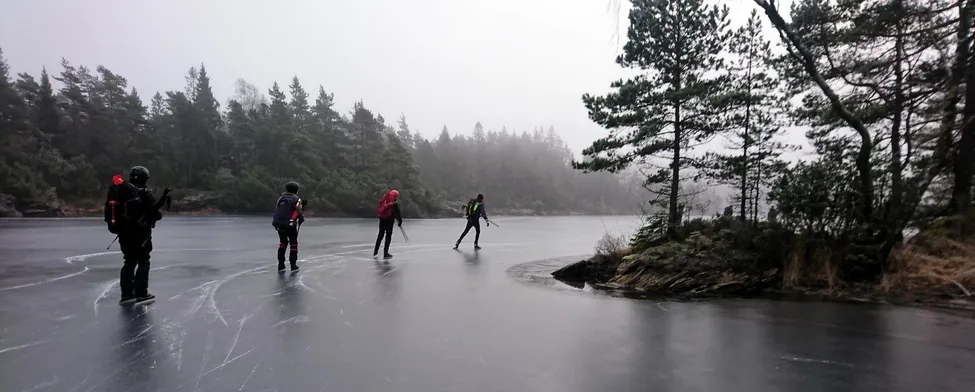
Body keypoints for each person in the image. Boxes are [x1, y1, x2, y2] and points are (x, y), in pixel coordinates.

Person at [104, 166, 170, 304]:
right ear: (144, 178)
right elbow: (155, 215)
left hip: (123, 233)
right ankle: (141, 293)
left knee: (129, 261)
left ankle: (127, 295)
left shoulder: (120, 192)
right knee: (143, 260)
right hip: (141, 234)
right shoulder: (144, 193)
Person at [272, 181, 305, 272]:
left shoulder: (281, 198)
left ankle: (281, 265)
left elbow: (276, 211)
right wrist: (301, 219)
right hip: (291, 225)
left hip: (279, 224)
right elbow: (299, 211)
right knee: (293, 244)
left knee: (283, 243)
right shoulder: (296, 199)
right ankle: (293, 265)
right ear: (297, 190)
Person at [374, 189, 403, 259]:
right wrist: (400, 222)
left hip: (382, 219)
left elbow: (381, 207)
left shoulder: (385, 198)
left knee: (380, 234)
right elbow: (397, 213)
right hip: (389, 220)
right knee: (388, 236)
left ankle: (375, 250)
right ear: (396, 196)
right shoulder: (394, 202)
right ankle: (385, 253)